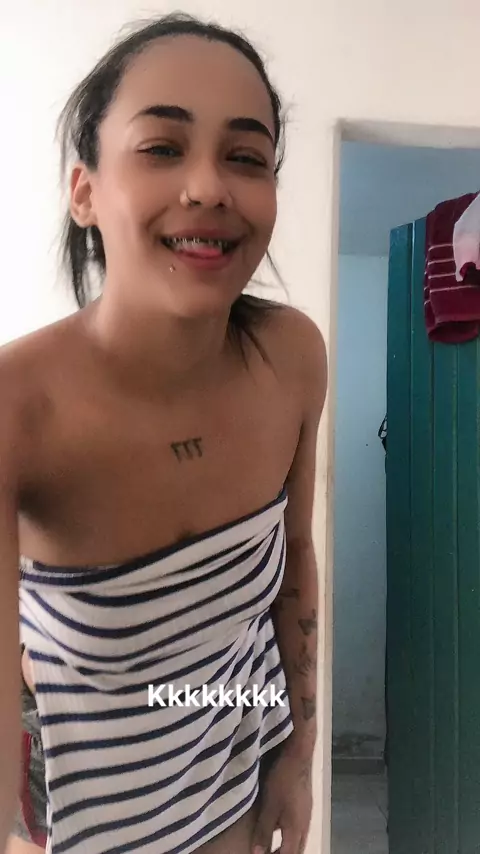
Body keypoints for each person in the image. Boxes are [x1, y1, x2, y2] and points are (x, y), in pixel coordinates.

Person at [0, 12, 327, 854]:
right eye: (161, 147)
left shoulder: (293, 357)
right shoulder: (16, 407)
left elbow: (294, 564)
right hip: (79, 808)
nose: (209, 187)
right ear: (84, 191)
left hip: (233, 777)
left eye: (246, 156)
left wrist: (297, 759)